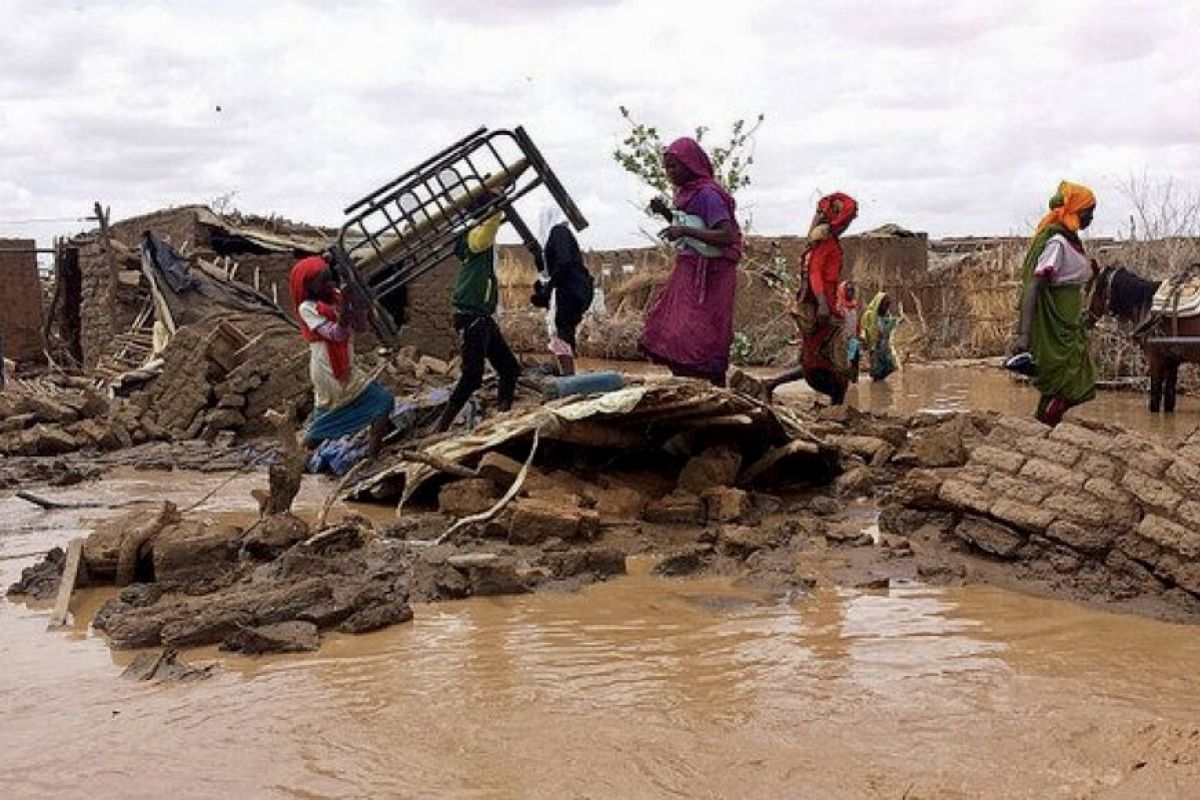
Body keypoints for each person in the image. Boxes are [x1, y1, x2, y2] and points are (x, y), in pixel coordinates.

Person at [639, 137, 743, 386]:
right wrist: (665, 213)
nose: (670, 174)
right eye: (667, 169)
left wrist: (684, 233)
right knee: (668, 325)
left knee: (702, 334)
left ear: (691, 165)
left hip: (712, 276)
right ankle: (687, 383)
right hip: (690, 270)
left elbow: (726, 235)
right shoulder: (686, 195)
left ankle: (713, 386)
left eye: (674, 167)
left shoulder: (708, 195)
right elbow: (688, 224)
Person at [753, 192, 859, 404]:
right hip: (823, 306)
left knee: (817, 357)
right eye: (845, 223)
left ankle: (773, 385)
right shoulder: (825, 245)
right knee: (830, 361)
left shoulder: (819, 244)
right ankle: (836, 409)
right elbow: (814, 274)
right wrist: (821, 302)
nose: (846, 227)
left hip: (819, 305)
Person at [1008, 180, 1098, 425]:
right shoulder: (1057, 242)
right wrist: (1023, 335)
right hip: (1055, 324)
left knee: (1072, 381)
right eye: (1089, 211)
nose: (1092, 218)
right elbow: (1035, 285)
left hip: (1069, 321)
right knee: (1068, 384)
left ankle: (1041, 426)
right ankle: (1046, 424)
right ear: (1076, 211)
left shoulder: (1069, 240)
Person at [290, 254, 394, 454]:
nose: (330, 284)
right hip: (328, 369)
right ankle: (371, 456)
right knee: (382, 401)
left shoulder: (337, 296)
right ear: (309, 286)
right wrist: (347, 304)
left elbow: (361, 327)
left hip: (342, 366)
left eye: (330, 278)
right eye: (323, 282)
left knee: (328, 417)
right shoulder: (308, 308)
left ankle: (301, 455)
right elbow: (336, 334)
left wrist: (359, 302)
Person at [435, 199, 522, 432]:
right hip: (472, 317)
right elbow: (484, 237)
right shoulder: (470, 238)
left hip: (482, 317)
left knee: (510, 369)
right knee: (472, 376)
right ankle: (441, 428)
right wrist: (496, 209)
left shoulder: (475, 239)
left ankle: (503, 416)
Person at [531, 204, 594, 376]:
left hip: (570, 288)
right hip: (577, 288)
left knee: (561, 333)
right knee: (564, 331)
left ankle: (568, 377)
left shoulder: (558, 232)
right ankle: (565, 373)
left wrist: (549, 288)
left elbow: (564, 262)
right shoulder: (560, 234)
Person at [861, 291, 901, 382]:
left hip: (884, 346)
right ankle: (876, 385)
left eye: (888, 305)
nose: (887, 307)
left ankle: (880, 387)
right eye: (885, 305)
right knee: (877, 370)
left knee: (889, 367)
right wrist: (866, 343)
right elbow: (865, 328)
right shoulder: (869, 314)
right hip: (874, 346)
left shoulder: (885, 315)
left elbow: (887, 330)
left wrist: (894, 323)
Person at [839, 281, 862, 382]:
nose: (851, 293)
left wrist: (859, 335)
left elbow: (857, 323)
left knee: (855, 362)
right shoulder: (839, 308)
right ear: (843, 291)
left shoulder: (854, 306)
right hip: (842, 341)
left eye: (852, 290)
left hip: (854, 340)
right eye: (848, 290)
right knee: (844, 364)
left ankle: (854, 385)